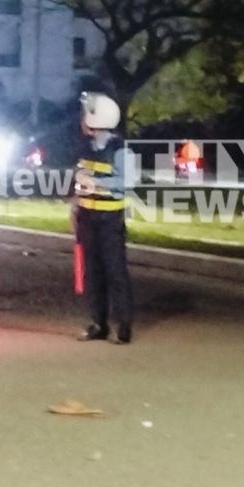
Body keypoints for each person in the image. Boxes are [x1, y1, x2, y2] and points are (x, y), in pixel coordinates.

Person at [72, 91, 134, 343]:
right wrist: (75, 208)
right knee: (92, 272)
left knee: (115, 272)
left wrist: (97, 183)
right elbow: (81, 182)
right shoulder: (87, 147)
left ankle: (124, 326)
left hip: (109, 220)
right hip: (87, 217)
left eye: (86, 114)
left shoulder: (119, 150)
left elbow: (127, 181)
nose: (82, 119)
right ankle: (99, 323)